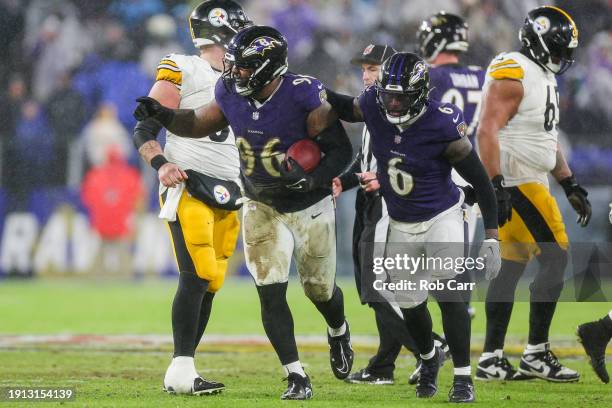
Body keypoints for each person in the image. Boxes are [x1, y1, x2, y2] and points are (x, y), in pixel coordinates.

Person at [134, 25, 354, 400]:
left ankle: (338, 330)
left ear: (269, 68)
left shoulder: (303, 93)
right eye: (234, 66)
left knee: (319, 289)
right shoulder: (230, 90)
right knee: (270, 290)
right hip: (259, 201)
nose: (235, 74)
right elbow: (199, 122)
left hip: (308, 204)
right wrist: (165, 115)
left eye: (245, 68)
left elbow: (340, 150)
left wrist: (315, 178)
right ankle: (296, 374)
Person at [326, 52, 501, 403]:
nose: (392, 102)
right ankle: (428, 357)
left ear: (420, 92)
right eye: (388, 94)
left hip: (442, 217)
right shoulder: (374, 104)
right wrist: (313, 91)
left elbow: (481, 183)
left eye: (400, 96)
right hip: (400, 221)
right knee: (410, 302)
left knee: (451, 296)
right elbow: (347, 108)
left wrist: (492, 237)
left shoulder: (441, 124)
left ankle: (464, 379)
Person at [132, 0, 252, 395]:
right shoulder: (182, 66)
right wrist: (161, 163)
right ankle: (182, 370)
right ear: (225, 30)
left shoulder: (244, 78)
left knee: (211, 280)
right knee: (196, 273)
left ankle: (181, 368)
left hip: (230, 189)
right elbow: (145, 127)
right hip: (187, 181)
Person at [476, 6, 591, 382]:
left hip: (529, 177)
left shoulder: (540, 74)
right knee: (556, 258)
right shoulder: (514, 68)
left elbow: (545, 138)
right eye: (557, 47)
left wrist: (569, 182)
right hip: (516, 179)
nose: (562, 57)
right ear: (538, 41)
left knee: (510, 268)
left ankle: (491, 358)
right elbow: (486, 130)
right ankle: (536, 353)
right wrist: (494, 184)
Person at [336, 43, 449, 386]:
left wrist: (382, 180)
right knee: (373, 287)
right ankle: (384, 364)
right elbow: (369, 159)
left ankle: (429, 347)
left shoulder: (402, 109)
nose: (366, 75)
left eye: (373, 69)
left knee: (380, 287)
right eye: (364, 69)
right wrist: (345, 179)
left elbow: (413, 161)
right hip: (372, 200)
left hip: (392, 203)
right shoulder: (377, 106)